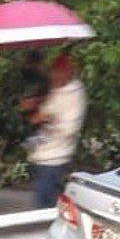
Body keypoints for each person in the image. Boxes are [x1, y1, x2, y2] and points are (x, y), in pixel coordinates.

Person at [25, 53, 87, 209]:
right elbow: (37, 117)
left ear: (66, 72)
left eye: (56, 73)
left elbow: (69, 128)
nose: (52, 76)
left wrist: (50, 118)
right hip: (41, 153)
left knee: (43, 202)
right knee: (49, 197)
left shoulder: (74, 94)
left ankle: (48, 229)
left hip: (56, 157)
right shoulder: (54, 90)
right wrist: (35, 105)